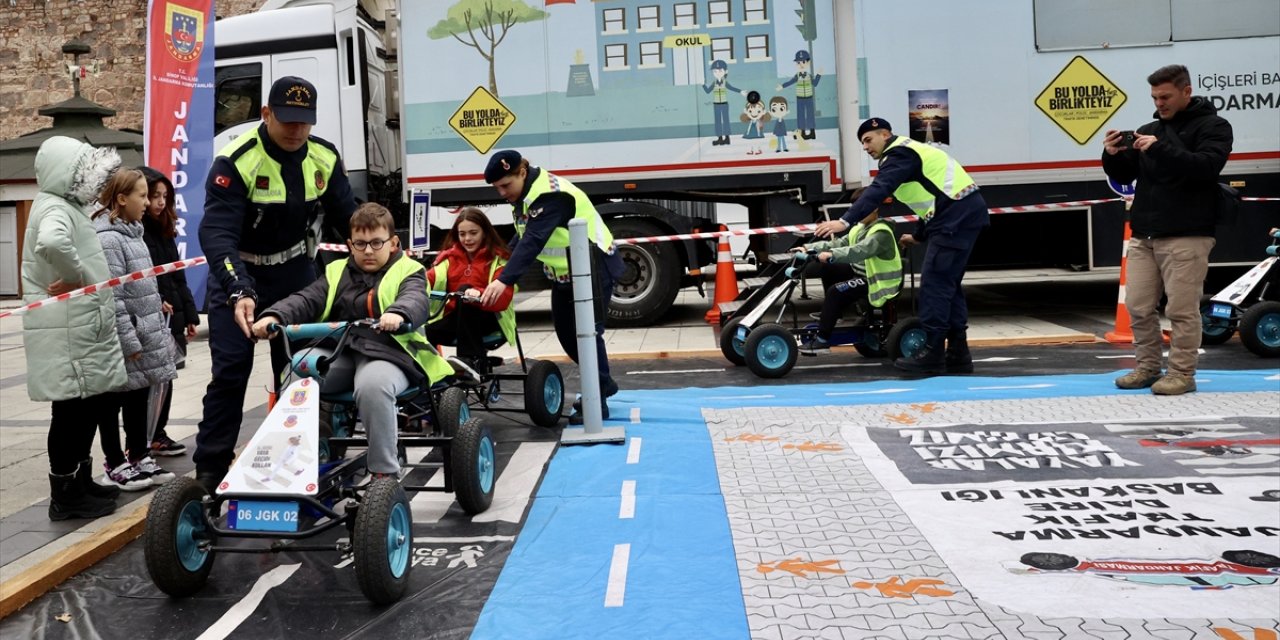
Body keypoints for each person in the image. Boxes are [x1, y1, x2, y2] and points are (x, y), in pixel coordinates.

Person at [195, 76, 357, 494]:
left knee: (303, 373)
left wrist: (387, 259)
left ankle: (313, 462)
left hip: (296, 275)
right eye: (286, 120)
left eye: (304, 122)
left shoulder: (323, 157)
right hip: (239, 275)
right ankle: (210, 472)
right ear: (266, 114)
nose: (295, 130)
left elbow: (350, 218)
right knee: (230, 372)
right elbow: (216, 235)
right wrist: (238, 290)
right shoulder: (235, 161)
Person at [251, 203, 452, 477]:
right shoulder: (336, 271)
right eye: (360, 244)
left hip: (390, 353)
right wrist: (275, 314)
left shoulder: (410, 270)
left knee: (371, 386)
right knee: (297, 371)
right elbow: (307, 299)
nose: (368, 250)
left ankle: (384, 472)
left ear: (393, 243)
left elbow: (414, 299)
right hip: (343, 350)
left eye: (376, 243)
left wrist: (397, 312)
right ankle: (288, 466)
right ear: (350, 244)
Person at [815, 117, 989, 375]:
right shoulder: (910, 153)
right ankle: (958, 353)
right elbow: (928, 199)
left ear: (885, 134)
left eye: (868, 139)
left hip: (954, 217)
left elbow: (878, 189)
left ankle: (932, 352)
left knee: (934, 284)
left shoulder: (899, 154)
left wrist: (844, 220)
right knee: (948, 286)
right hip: (956, 214)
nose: (865, 147)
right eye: (862, 143)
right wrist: (918, 236)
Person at [1101, 64, 1232, 396]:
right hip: (1145, 232)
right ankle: (1147, 367)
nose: (1159, 103)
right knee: (1138, 306)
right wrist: (1112, 154)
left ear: (1186, 91)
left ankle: (1182, 373)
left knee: (1181, 310)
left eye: (1165, 96)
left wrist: (1158, 147)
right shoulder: (1149, 129)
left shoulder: (1214, 126)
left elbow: (1205, 166)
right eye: (1155, 97)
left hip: (1188, 233)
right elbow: (1126, 173)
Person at [21, 136, 127, 520]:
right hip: (69, 329)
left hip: (79, 326)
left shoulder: (62, 205)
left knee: (85, 409)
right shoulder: (55, 208)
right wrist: (77, 276)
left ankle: (80, 481)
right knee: (70, 413)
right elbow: (52, 242)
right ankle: (65, 495)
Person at [480, 150, 624, 424]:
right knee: (568, 335)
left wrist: (504, 280)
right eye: (497, 187)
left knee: (587, 335)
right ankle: (603, 383)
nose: (501, 193)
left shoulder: (550, 195)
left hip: (593, 268)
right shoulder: (525, 194)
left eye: (505, 185)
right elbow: (522, 236)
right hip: (565, 275)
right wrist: (496, 262)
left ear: (522, 172)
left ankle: (598, 401)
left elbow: (533, 241)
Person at [92, 169, 179, 490]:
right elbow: (112, 296)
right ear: (121, 199)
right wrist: (128, 338)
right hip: (127, 337)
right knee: (112, 401)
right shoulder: (110, 240)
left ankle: (139, 454)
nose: (147, 202)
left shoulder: (134, 233)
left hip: (144, 331)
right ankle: (114, 463)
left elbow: (139, 286)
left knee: (138, 397)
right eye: (142, 196)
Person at [139, 166, 198, 456]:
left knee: (168, 374)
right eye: (154, 196)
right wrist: (158, 299)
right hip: (155, 313)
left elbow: (177, 275)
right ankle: (144, 437)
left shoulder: (165, 229)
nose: (161, 202)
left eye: (165, 196)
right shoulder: (139, 232)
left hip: (172, 314)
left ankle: (157, 433)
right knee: (150, 380)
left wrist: (189, 315)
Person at [794, 205, 902, 355]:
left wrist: (831, 254)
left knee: (835, 291)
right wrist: (808, 247)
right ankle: (834, 314)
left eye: (864, 208)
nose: (860, 212)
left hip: (879, 282)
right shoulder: (859, 228)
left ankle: (823, 340)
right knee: (828, 268)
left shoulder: (881, 233)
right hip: (864, 275)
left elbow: (859, 251)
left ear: (875, 208)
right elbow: (838, 243)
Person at [425, 207, 516, 375]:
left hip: (491, 319)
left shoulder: (499, 259)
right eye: (462, 234)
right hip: (457, 318)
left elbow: (503, 298)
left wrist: (479, 293)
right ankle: (429, 373)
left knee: (465, 294)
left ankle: (472, 361)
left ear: (485, 233)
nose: (467, 239)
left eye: (473, 233)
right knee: (425, 332)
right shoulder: (449, 259)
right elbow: (428, 279)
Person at [778, 50, 822, 140]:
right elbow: (790, 82)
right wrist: (782, 86)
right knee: (801, 115)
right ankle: (802, 132)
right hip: (800, 98)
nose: (801, 64)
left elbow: (815, 83)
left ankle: (812, 132)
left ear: (808, 62)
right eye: (798, 62)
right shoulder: (797, 76)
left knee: (810, 114)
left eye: (803, 62)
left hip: (809, 98)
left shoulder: (809, 76)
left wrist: (818, 75)